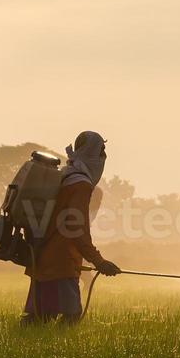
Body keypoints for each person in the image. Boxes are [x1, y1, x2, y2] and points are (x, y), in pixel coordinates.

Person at [22, 131, 122, 324]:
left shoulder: (63, 177)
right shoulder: (80, 184)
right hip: (62, 262)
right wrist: (99, 261)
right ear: (93, 153)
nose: (104, 157)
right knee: (71, 316)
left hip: (42, 257)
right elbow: (76, 229)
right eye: (101, 151)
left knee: (38, 318)